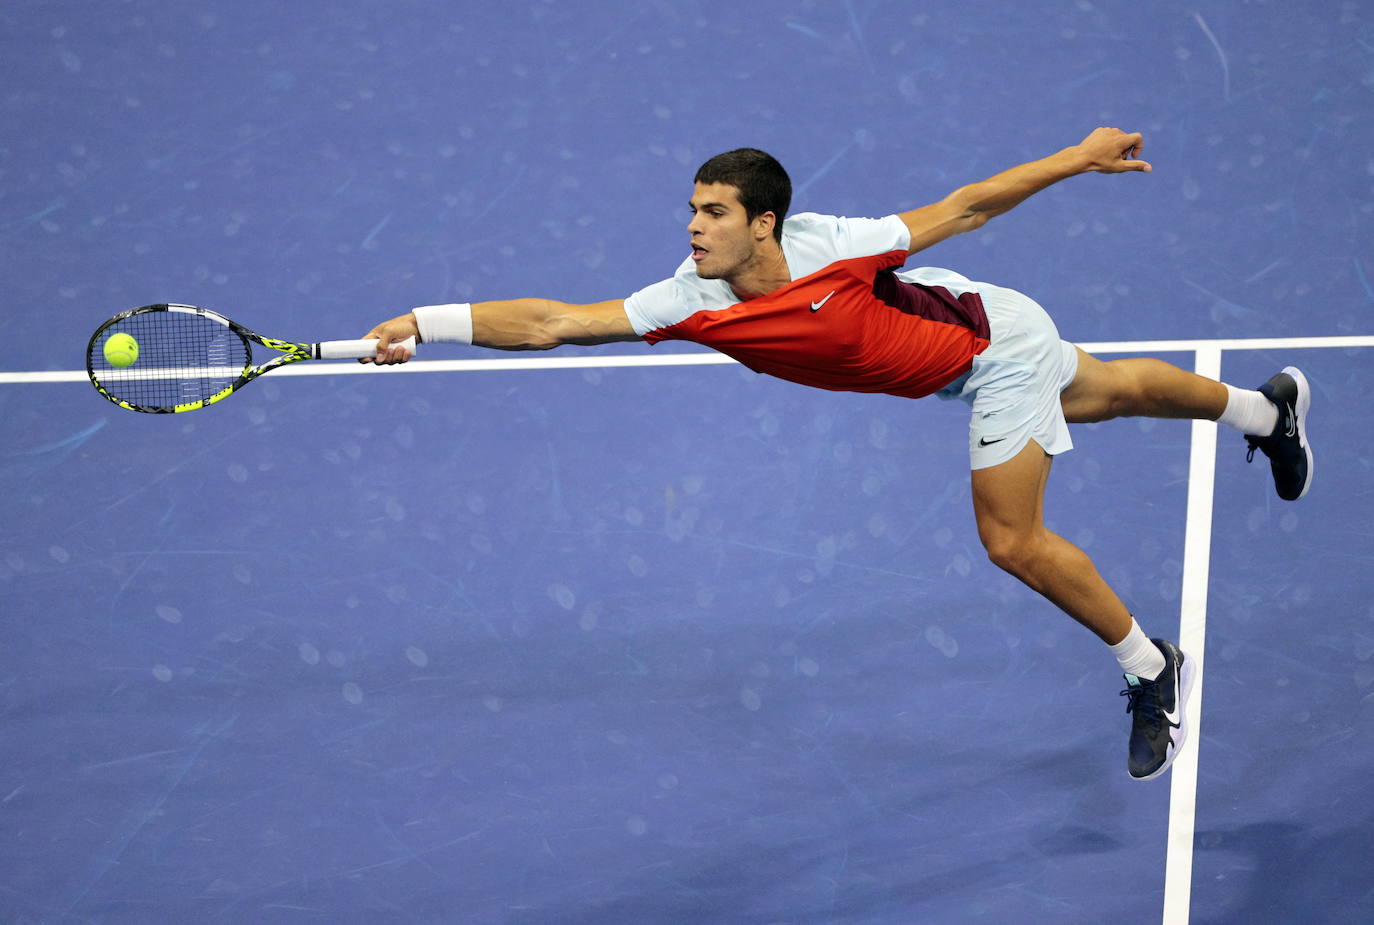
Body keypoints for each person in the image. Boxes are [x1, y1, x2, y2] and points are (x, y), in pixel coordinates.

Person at [360, 127, 1313, 781]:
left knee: (1011, 541)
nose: (694, 227)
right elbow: (555, 321)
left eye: (714, 213)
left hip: (993, 349)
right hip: (958, 353)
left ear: (763, 224)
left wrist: (1079, 157)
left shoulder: (835, 249)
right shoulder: (686, 295)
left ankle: (1151, 664)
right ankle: (1269, 416)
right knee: (1112, 393)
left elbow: (969, 206)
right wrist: (427, 322)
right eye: (692, 209)